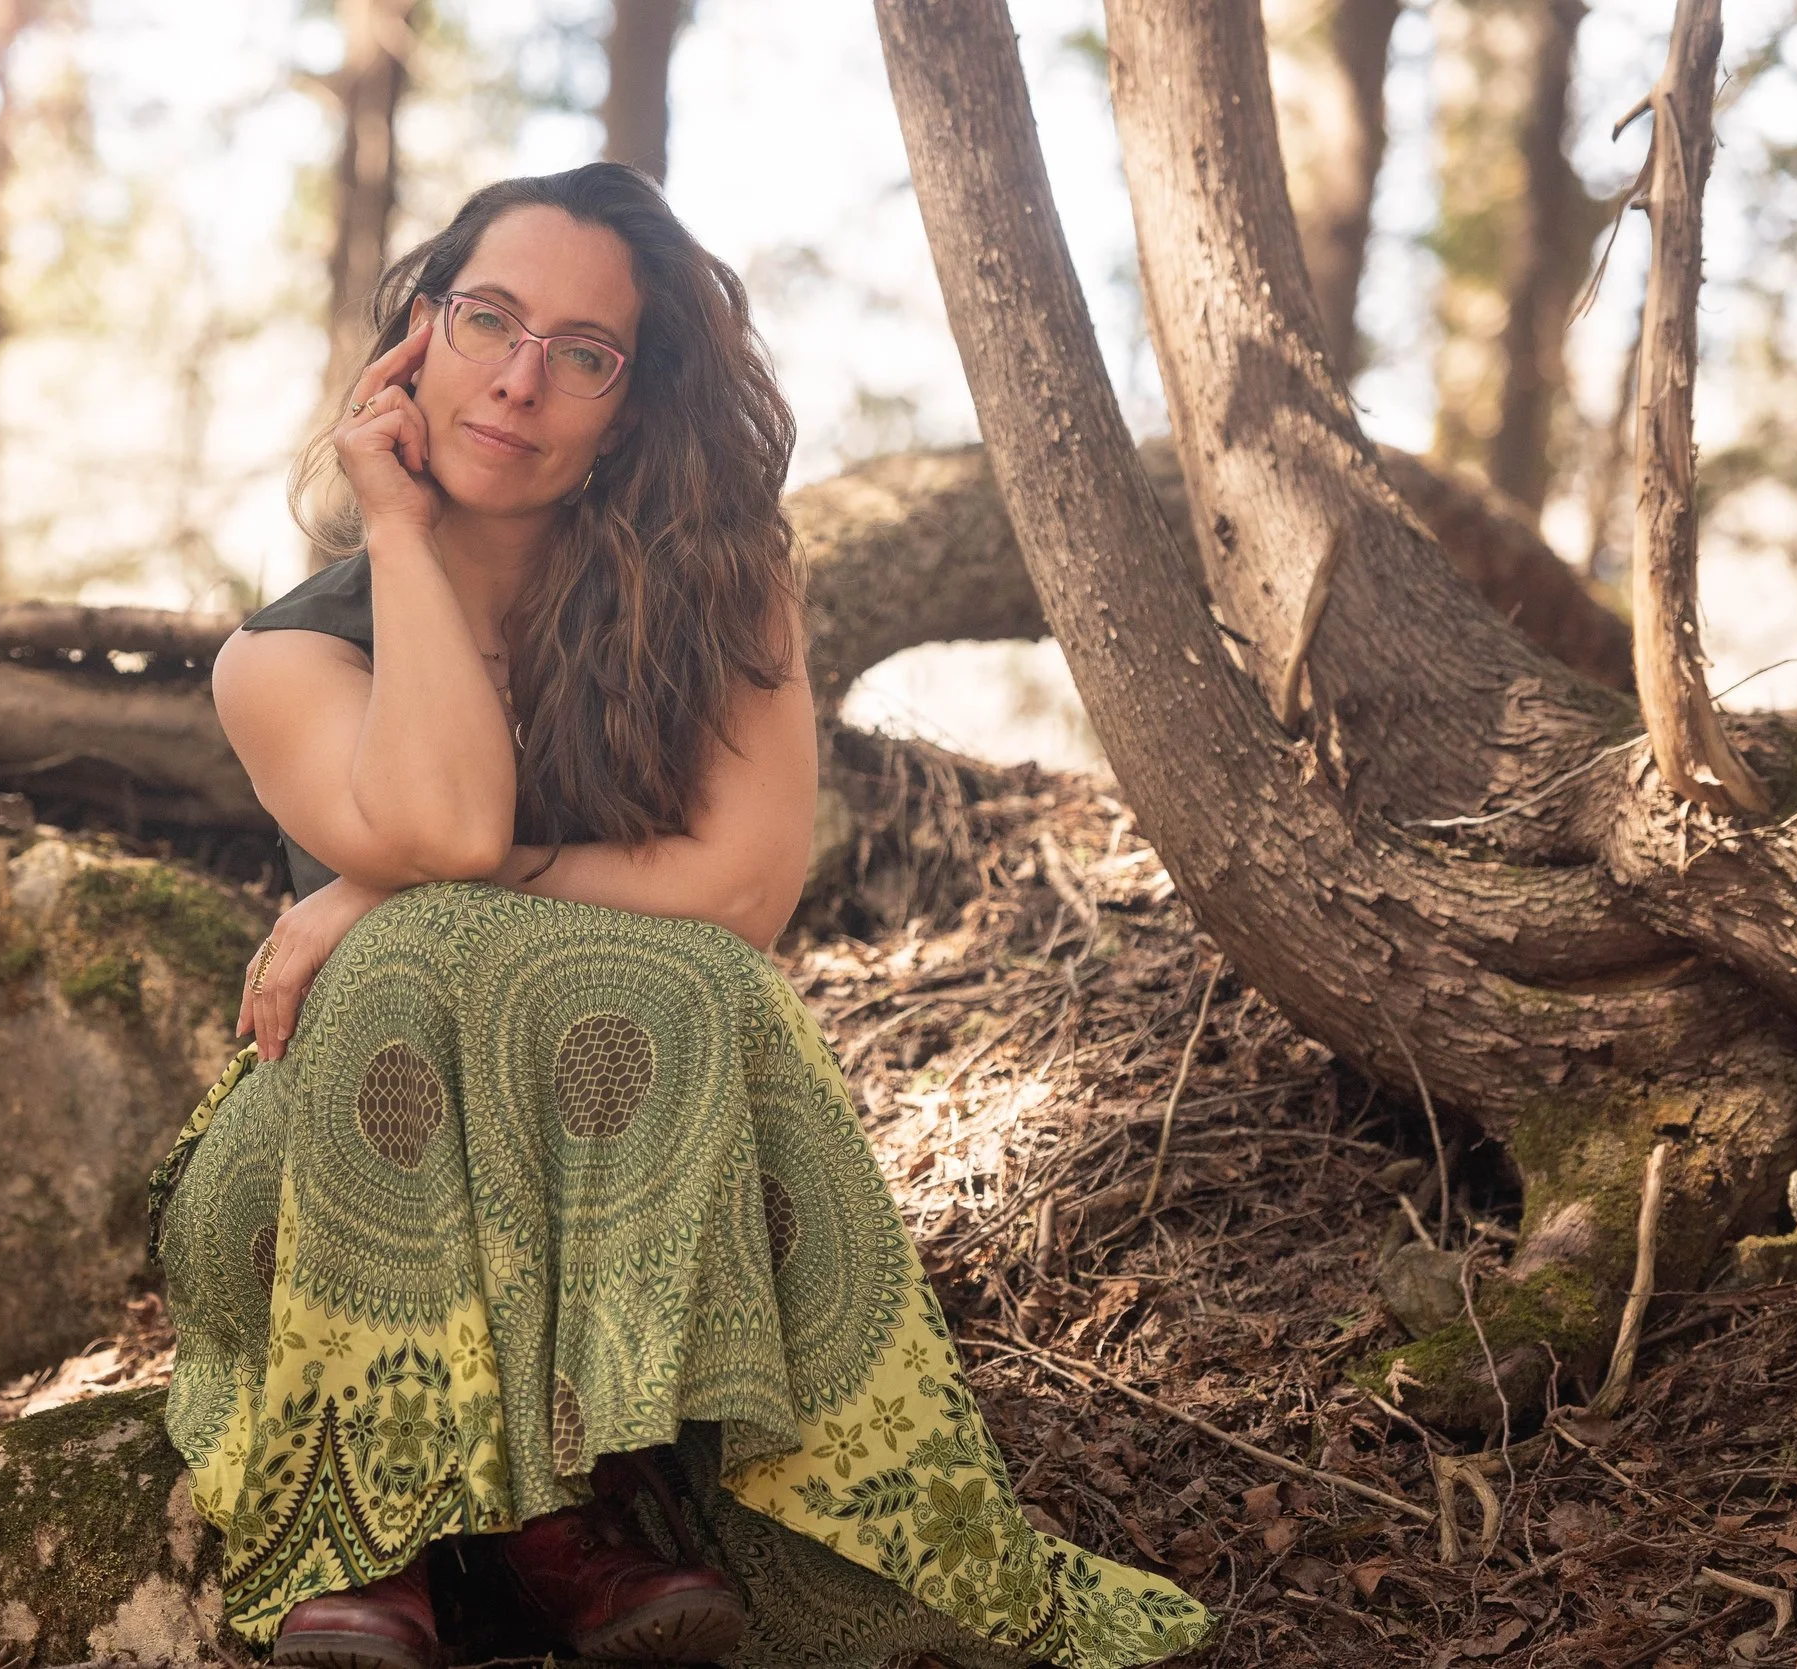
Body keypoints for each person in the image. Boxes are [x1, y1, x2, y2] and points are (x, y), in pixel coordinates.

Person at [148, 162, 1209, 1669]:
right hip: (318, 1161)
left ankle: (544, 1523)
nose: (518, 381)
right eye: (486, 320)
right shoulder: (284, 660)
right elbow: (453, 826)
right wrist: (397, 533)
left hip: (598, 1130)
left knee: (666, 980)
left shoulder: (718, 591)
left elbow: (737, 894)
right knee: (419, 957)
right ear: (416, 336)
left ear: (632, 403)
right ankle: (402, 1529)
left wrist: (373, 887)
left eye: (584, 354)